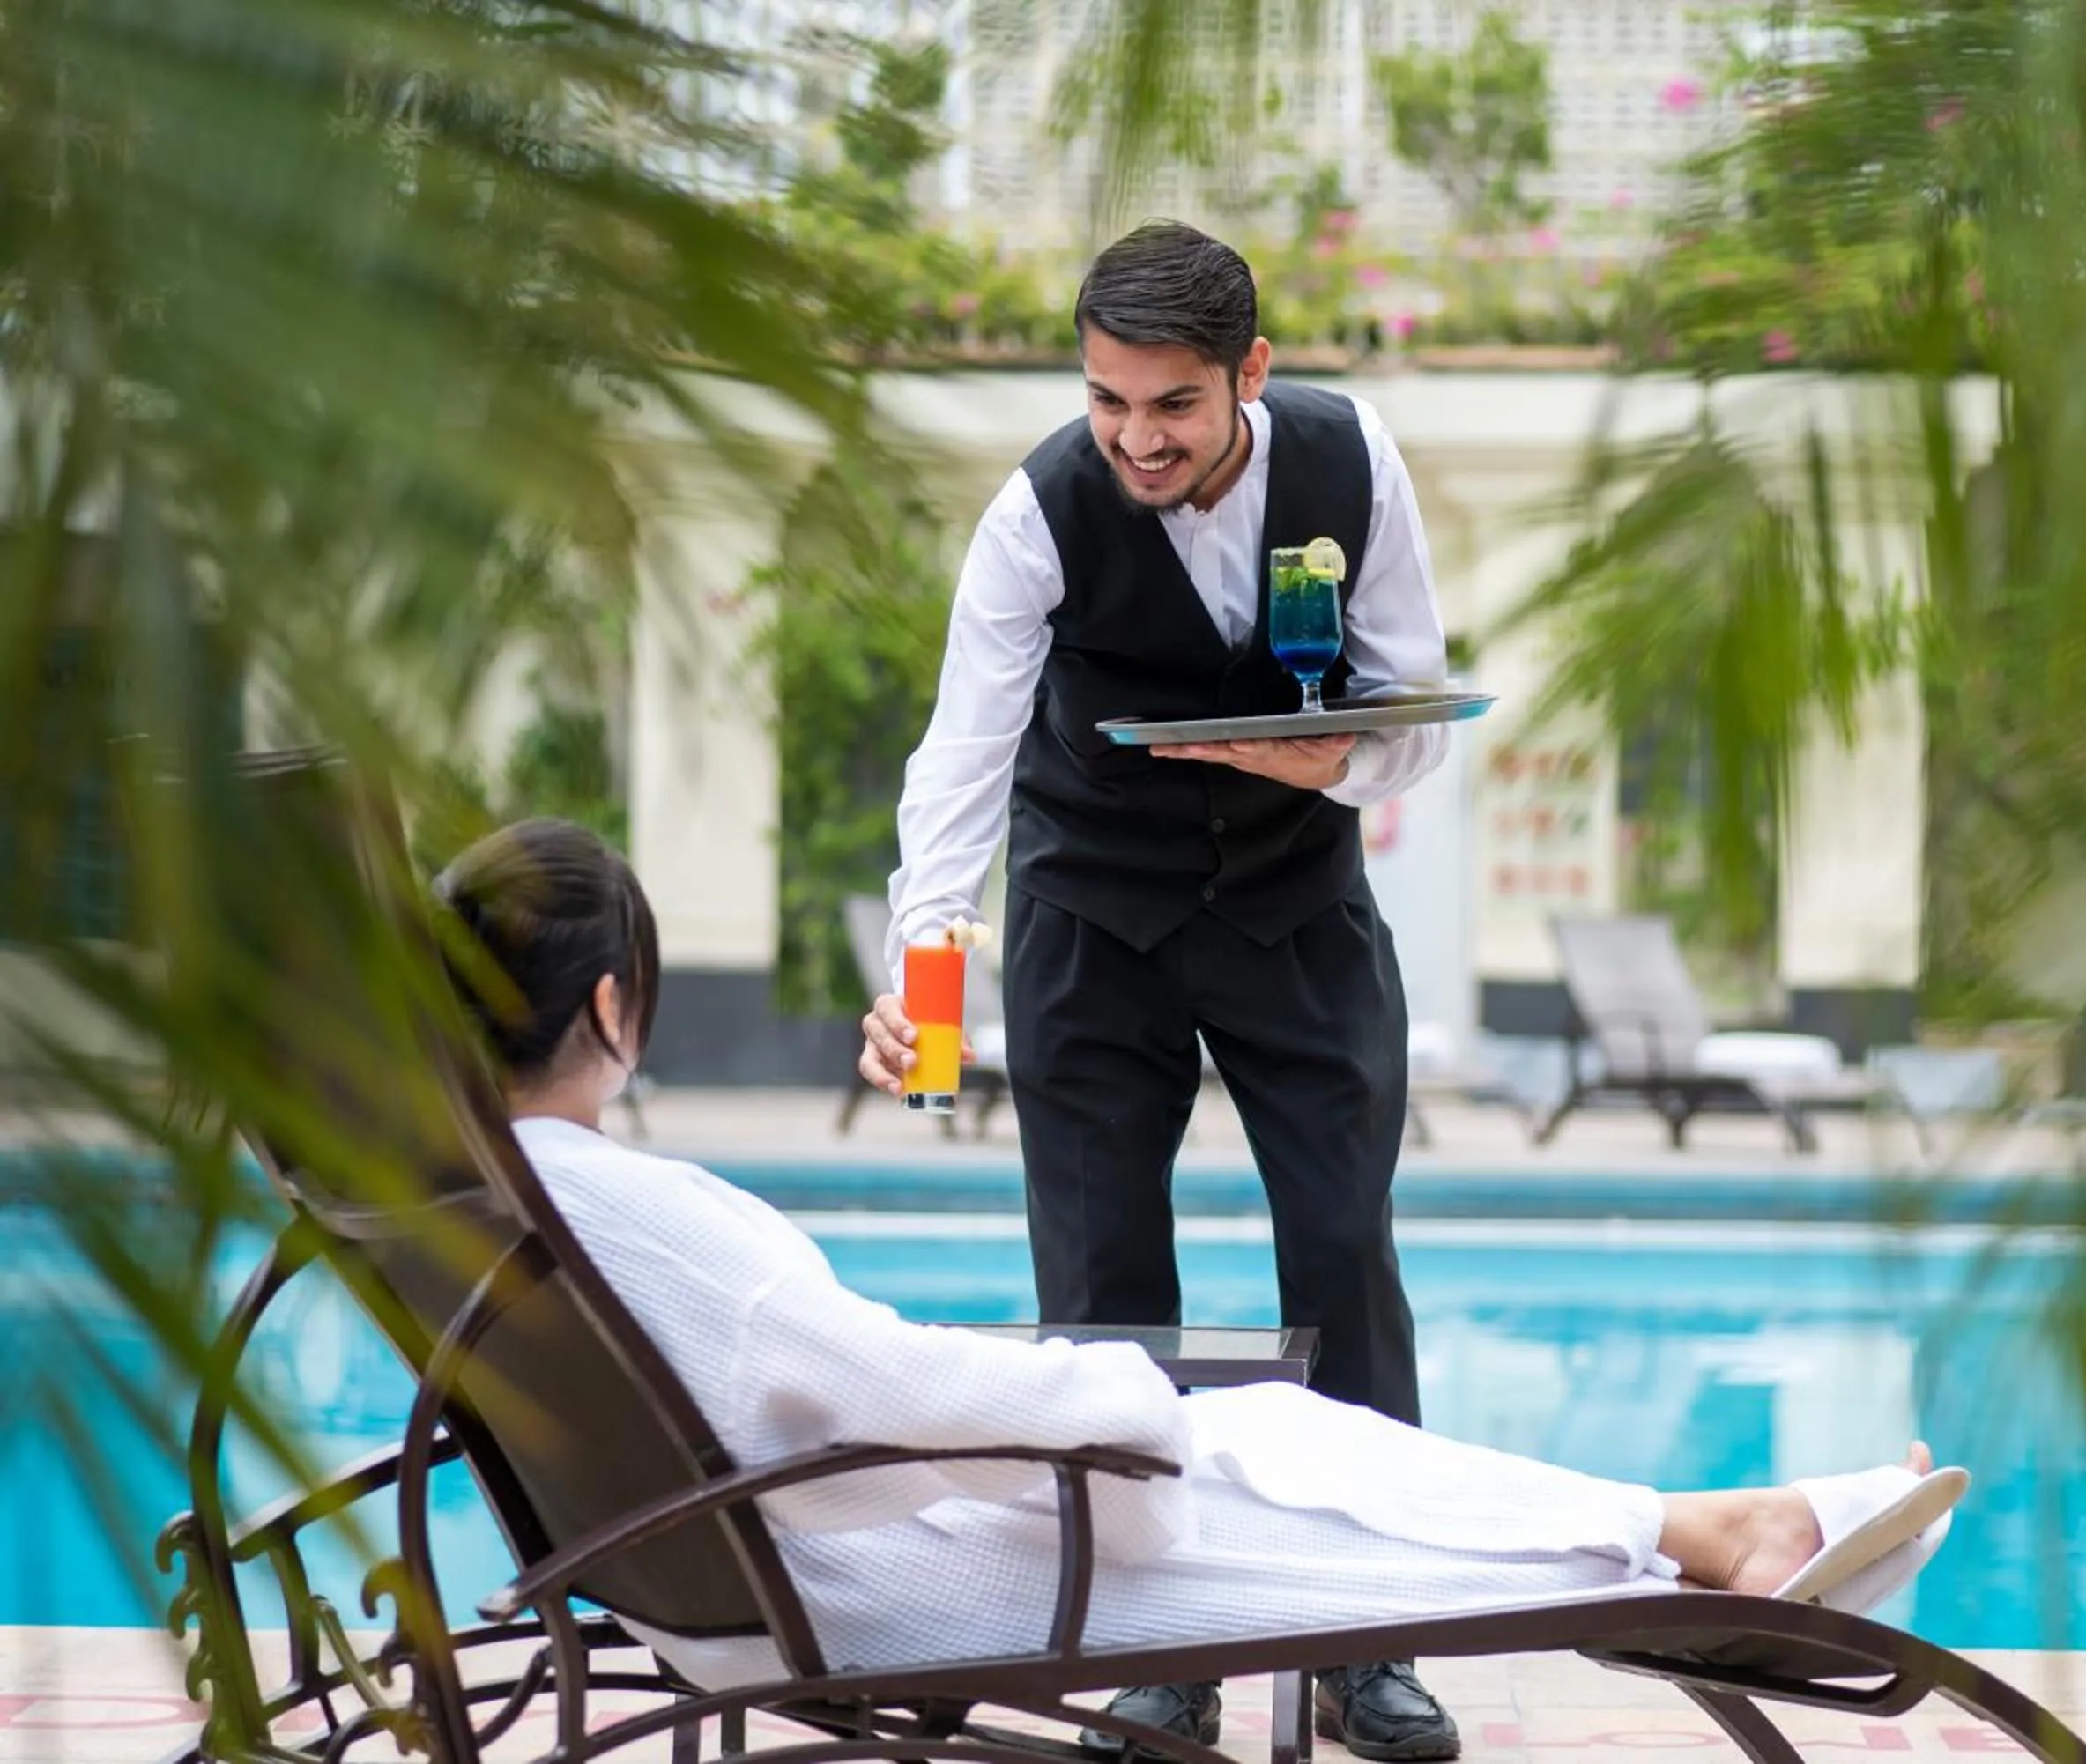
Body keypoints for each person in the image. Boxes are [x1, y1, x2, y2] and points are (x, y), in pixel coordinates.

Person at [439, 819, 1971, 1751]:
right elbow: (874, 1388)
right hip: (878, 1585)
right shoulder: (636, 1208)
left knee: (1282, 1442)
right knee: (1290, 1463)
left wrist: (1094, 1390)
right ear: (614, 1003)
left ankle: (1703, 1545)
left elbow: (836, 1384)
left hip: (746, 1570)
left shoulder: (491, 1194)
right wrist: (1119, 1396)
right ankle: (1706, 1556)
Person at [857, 219, 1465, 1754]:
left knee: (1343, 1250)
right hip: (1094, 912)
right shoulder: (1037, 511)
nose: (1134, 436)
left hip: (1293, 901)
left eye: (1172, 404)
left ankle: (1363, 1639)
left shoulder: (1352, 458)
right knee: (1107, 1286)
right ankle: (1159, 1643)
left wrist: (1335, 764)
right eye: (1108, 399)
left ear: (1249, 373)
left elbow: (1418, 710)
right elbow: (964, 750)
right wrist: (920, 959)